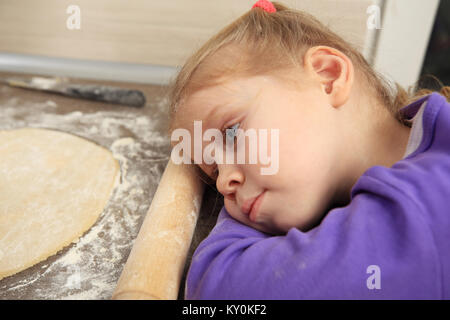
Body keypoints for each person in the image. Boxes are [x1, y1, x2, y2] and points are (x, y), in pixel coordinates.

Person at [168, 0, 450, 299]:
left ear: (327, 78)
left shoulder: (425, 199)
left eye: (232, 133)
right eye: (214, 171)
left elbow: (222, 288)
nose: (224, 183)